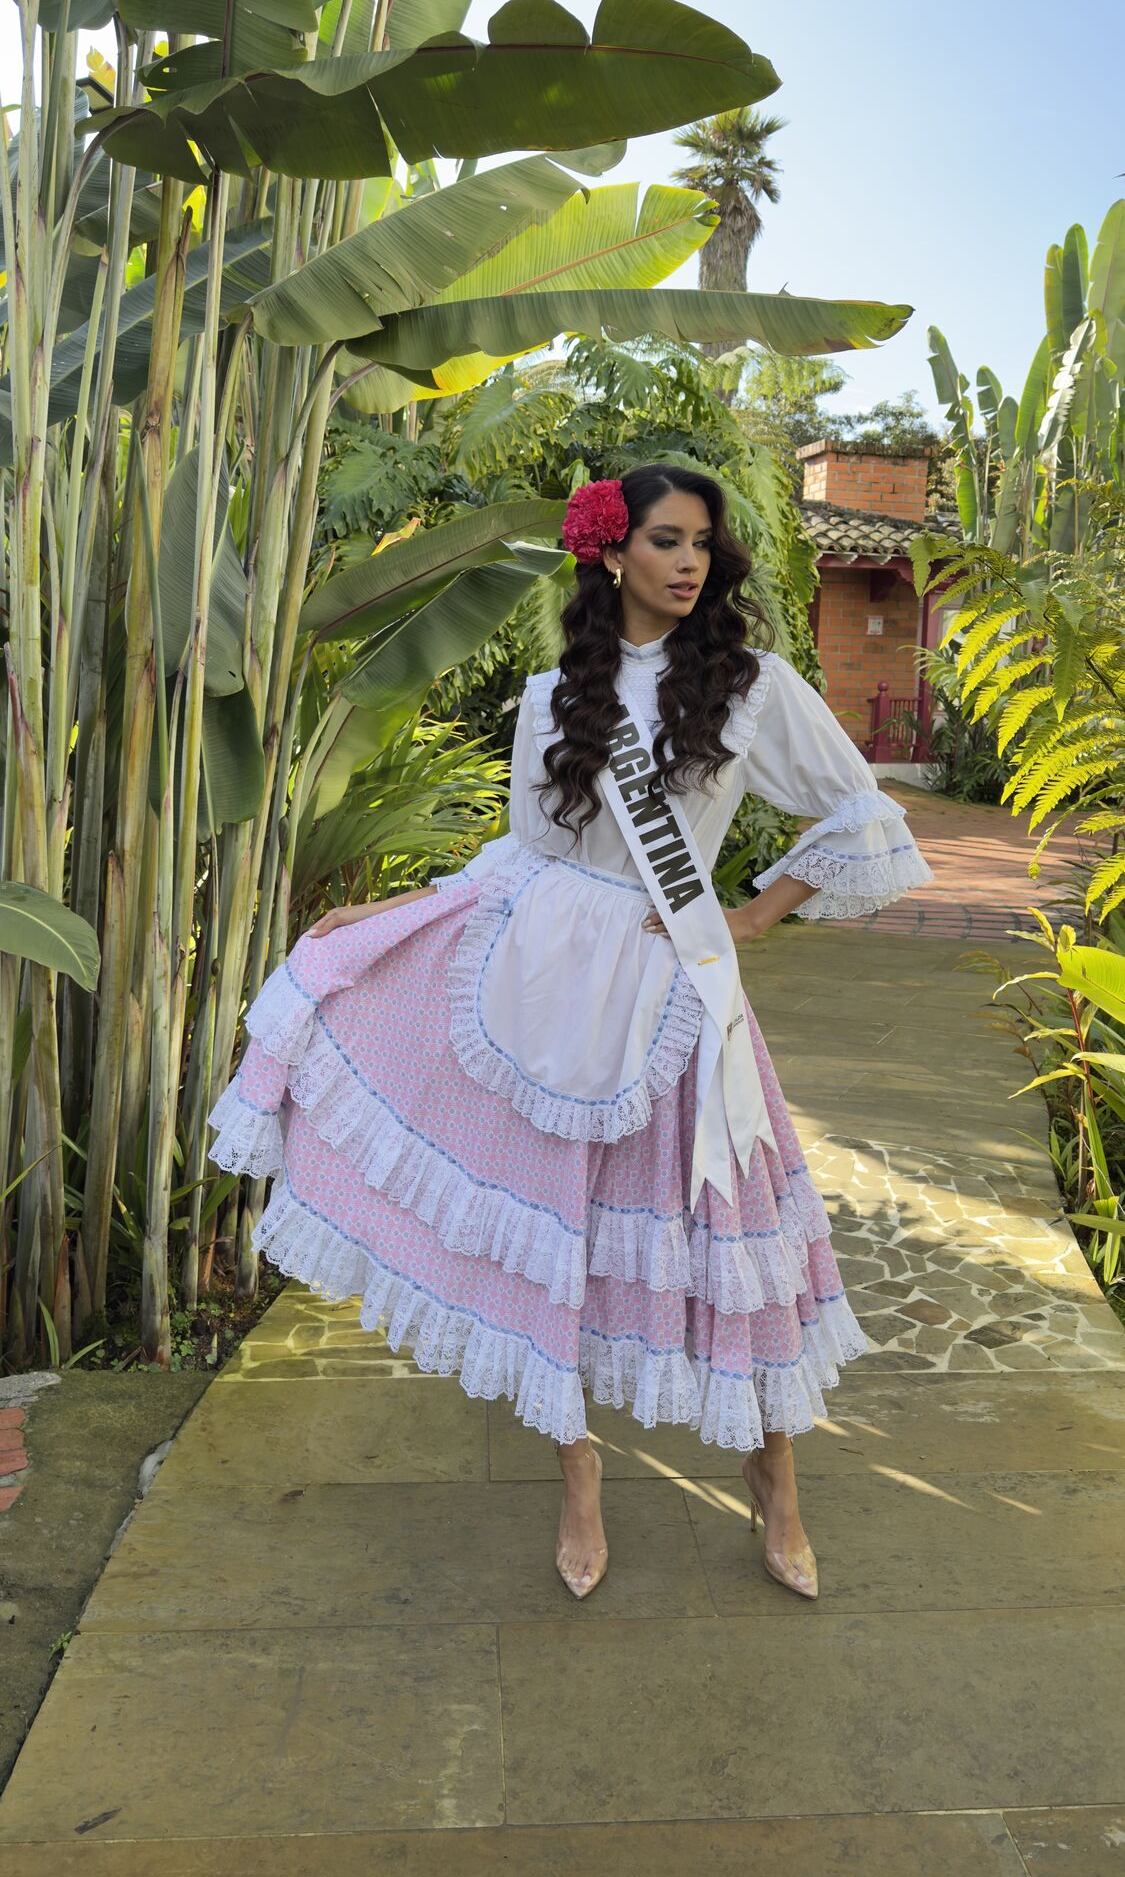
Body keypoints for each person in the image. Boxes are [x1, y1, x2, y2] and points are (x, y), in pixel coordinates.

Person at [207, 462, 934, 1602]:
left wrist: (748, 912)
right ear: (613, 552)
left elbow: (864, 816)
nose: (690, 562)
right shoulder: (553, 696)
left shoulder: (752, 684)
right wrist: (390, 910)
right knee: (555, 1237)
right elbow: (520, 858)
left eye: (702, 542)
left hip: (670, 985)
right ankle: (579, 1474)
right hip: (544, 979)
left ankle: (776, 1481)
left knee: (728, 1237)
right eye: (665, 540)